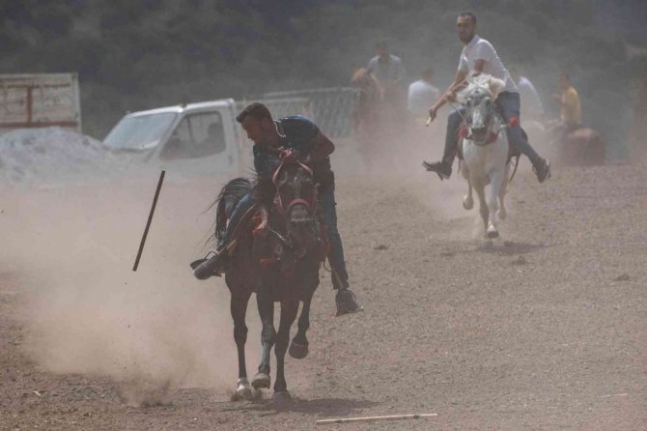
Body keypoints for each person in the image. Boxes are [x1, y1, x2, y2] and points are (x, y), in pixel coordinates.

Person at [193, 103, 363, 316]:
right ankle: (223, 253)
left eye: (251, 129)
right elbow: (267, 185)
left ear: (265, 123)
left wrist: (300, 157)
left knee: (328, 227)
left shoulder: (299, 125)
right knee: (247, 202)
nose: (249, 136)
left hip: (318, 186)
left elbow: (328, 147)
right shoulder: (260, 151)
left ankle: (343, 291)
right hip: (286, 192)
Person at [422, 12, 551, 183]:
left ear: (474, 27)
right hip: (484, 97)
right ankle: (446, 164)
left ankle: (539, 162)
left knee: (513, 135)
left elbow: (475, 74)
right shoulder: (465, 52)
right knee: (454, 117)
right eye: (459, 26)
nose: (461, 29)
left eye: (465, 25)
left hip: (506, 95)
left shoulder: (482, 45)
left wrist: (454, 93)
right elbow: (457, 81)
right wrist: (436, 107)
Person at [551, 72, 582, 139]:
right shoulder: (565, 92)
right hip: (566, 121)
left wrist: (559, 100)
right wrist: (558, 102)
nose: (560, 83)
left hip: (571, 122)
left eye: (562, 80)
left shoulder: (571, 92)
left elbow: (569, 107)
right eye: (559, 81)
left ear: (568, 81)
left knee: (557, 136)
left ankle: (557, 148)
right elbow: (564, 108)